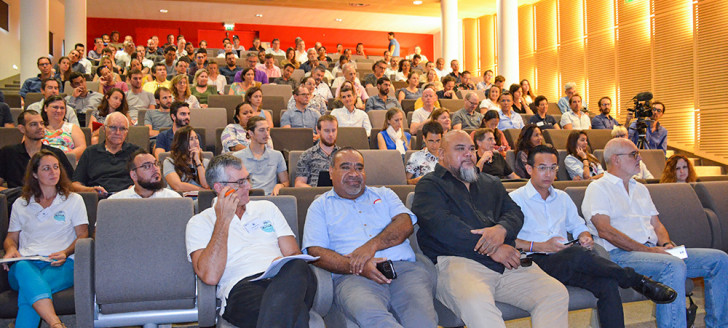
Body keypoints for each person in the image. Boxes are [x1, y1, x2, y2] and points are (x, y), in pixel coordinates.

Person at [412, 130, 569, 328]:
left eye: (471, 149)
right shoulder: (429, 185)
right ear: (441, 154)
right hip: (459, 262)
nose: (468, 154)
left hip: (507, 262)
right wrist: (493, 248)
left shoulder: (490, 182)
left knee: (554, 293)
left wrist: (501, 230)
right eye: (460, 149)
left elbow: (515, 214)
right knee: (479, 306)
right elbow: (443, 227)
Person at [512, 145, 677, 328]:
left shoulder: (562, 197)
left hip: (566, 262)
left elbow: (577, 226)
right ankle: (636, 280)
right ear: (529, 169)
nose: (549, 174)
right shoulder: (515, 199)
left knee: (607, 284)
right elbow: (508, 240)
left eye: (553, 168)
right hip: (535, 262)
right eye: (542, 168)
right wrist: (540, 246)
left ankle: (634, 282)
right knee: (576, 254)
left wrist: (584, 236)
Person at [584, 138, 728, 328]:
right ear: (616, 159)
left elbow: (657, 224)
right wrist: (649, 251)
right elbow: (605, 231)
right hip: (619, 256)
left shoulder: (640, 188)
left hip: (653, 251)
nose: (639, 158)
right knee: (672, 265)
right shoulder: (598, 188)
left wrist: (666, 244)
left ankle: (719, 325)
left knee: (719, 260)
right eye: (634, 154)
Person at [303, 147, 438, 327]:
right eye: (345, 167)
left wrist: (371, 247)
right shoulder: (320, 206)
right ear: (331, 172)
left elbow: (405, 224)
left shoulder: (384, 194)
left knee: (423, 321)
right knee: (375, 320)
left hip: (403, 270)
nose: (354, 174)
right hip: (354, 277)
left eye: (359, 168)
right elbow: (315, 251)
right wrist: (357, 265)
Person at [185, 154, 316, 327]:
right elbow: (210, 276)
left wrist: (281, 264)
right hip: (243, 289)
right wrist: (223, 220)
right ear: (219, 187)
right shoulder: (200, 222)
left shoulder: (267, 208)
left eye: (247, 179)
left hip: (284, 278)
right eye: (240, 182)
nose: (248, 186)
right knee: (295, 315)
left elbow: (293, 253)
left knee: (298, 266)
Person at [2, 150, 89, 328]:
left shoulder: (74, 200)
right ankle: (55, 323)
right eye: (46, 168)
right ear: (34, 174)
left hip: (62, 264)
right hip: (26, 263)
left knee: (30, 293)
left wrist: (65, 252)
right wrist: (11, 249)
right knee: (24, 269)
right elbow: (11, 238)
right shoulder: (21, 203)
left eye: (56, 167)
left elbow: (83, 236)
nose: (53, 172)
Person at [0, 110, 74, 190]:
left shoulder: (55, 153)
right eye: (33, 124)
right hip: (17, 198)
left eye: (42, 123)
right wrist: (13, 193)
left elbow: (70, 184)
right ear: (22, 129)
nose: (40, 127)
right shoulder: (8, 153)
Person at [72, 112, 140, 196]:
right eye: (113, 127)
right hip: (98, 199)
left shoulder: (137, 153)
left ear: (127, 131)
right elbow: (75, 184)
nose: (118, 132)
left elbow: (149, 180)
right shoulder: (90, 152)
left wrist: (135, 188)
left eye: (122, 129)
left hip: (129, 198)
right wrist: (90, 190)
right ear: (104, 129)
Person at [233, 116, 289, 195]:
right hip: (248, 199)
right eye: (261, 130)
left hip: (270, 199)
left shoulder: (277, 155)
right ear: (251, 133)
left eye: (267, 129)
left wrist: (280, 185)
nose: (266, 134)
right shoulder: (237, 157)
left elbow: (285, 182)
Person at [109, 149, 181, 199]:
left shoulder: (173, 198)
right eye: (147, 166)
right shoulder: (117, 201)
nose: (155, 169)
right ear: (134, 175)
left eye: (156, 164)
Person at [295, 115, 339, 188]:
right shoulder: (307, 155)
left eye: (333, 130)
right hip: (315, 195)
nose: (331, 134)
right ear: (318, 130)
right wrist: (314, 191)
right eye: (327, 130)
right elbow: (299, 184)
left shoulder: (343, 155)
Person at [163, 126, 209, 192]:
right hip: (181, 200)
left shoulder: (205, 162)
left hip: (200, 200)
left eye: (196, 138)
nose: (196, 142)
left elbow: (206, 185)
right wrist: (202, 191)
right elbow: (177, 186)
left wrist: (198, 162)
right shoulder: (169, 162)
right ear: (181, 143)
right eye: (191, 139)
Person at [41, 95, 87, 160]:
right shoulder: (38, 128)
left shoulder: (72, 128)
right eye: (55, 107)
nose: (59, 111)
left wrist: (63, 159)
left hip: (66, 163)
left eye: (62, 108)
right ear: (45, 108)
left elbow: (82, 148)